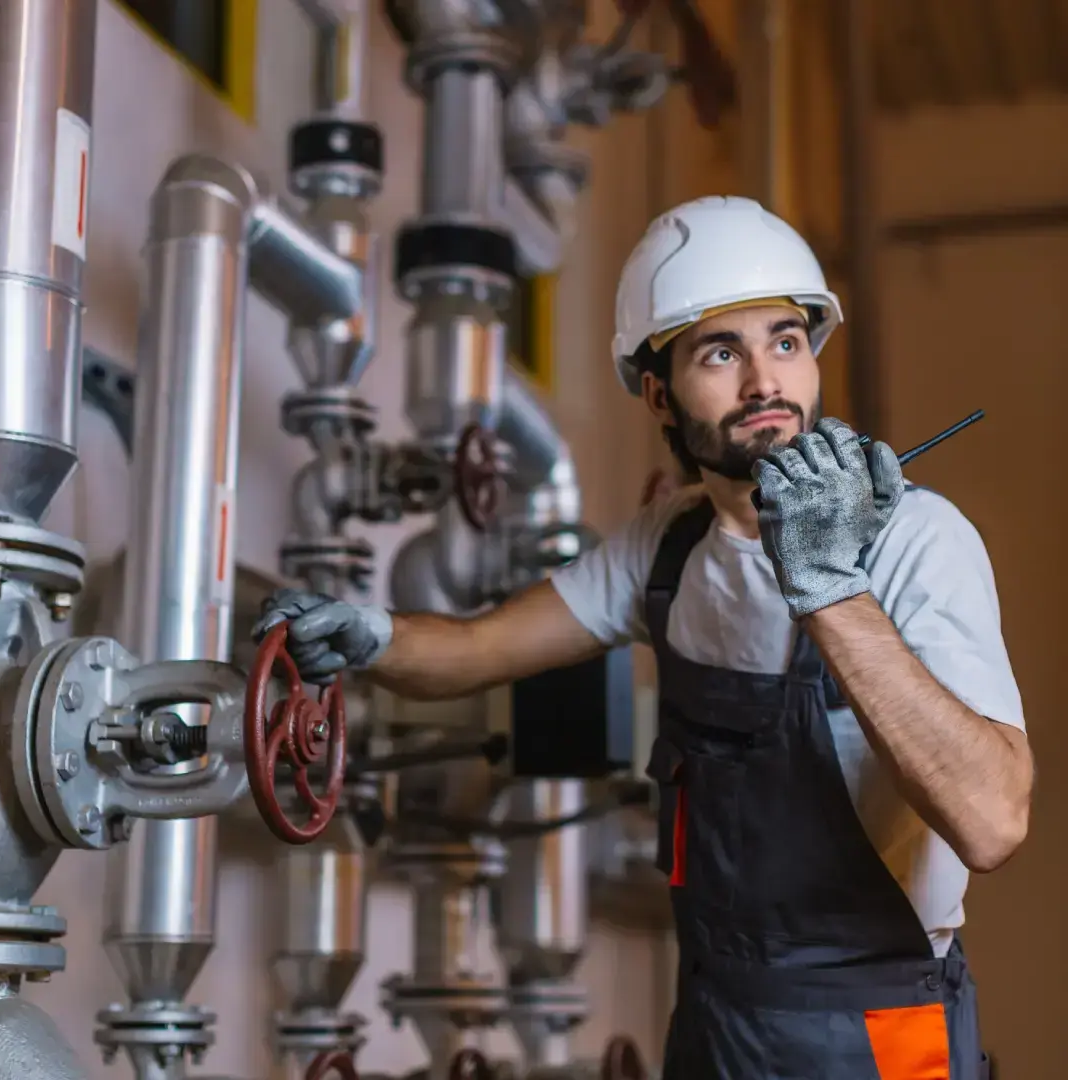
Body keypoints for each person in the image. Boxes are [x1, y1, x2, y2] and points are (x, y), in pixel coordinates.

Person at [254, 196, 1032, 1079]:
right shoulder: (665, 548)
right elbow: (476, 651)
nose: (765, 384)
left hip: (877, 1030)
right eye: (720, 352)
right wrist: (371, 635)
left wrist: (830, 585)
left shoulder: (917, 542)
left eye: (785, 342)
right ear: (659, 392)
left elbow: (992, 822)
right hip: (715, 1019)